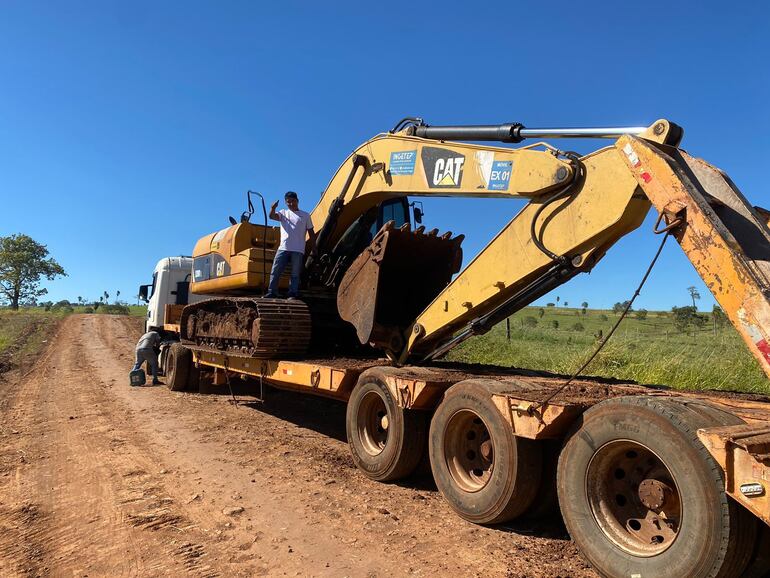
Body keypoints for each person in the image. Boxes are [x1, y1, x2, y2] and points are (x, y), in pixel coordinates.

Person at [265, 191, 317, 299]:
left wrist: (314, 247)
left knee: (295, 273)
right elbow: (271, 216)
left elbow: (311, 233)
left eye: (293, 201)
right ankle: (272, 292)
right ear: (285, 203)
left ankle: (292, 293)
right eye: (288, 202)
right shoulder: (283, 213)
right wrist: (273, 208)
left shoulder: (305, 215)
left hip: (298, 249)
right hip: (283, 248)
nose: (291, 204)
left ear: (297, 201)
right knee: (275, 271)